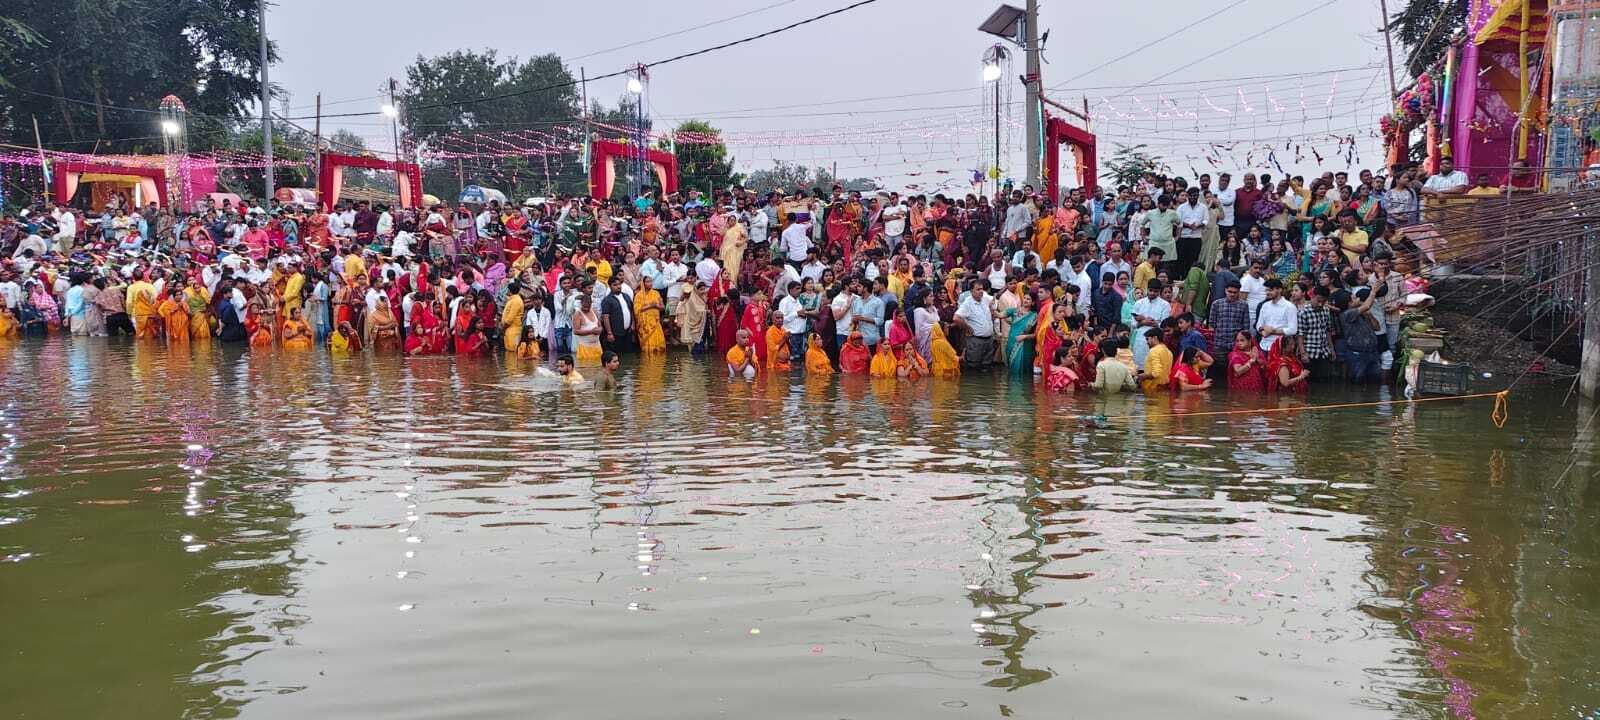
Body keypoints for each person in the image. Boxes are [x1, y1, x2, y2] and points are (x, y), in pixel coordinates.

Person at [1337, 287, 1384, 383]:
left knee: (1375, 381)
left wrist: (1369, 315)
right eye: (1354, 298)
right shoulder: (1347, 314)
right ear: (1349, 303)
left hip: (1372, 352)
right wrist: (1373, 291)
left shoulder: (1360, 313)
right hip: (1358, 354)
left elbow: (1377, 327)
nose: (1358, 299)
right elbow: (1366, 306)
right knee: (1357, 382)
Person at [953, 281, 996, 368]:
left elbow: (994, 303)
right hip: (976, 340)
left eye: (982, 289)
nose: (981, 291)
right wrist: (967, 327)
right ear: (971, 291)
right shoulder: (968, 303)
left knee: (987, 366)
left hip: (988, 339)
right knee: (973, 366)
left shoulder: (985, 299)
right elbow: (956, 318)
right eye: (978, 289)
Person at [1003, 292, 1038, 375]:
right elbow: (1000, 315)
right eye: (1025, 298)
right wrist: (991, 308)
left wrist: (1025, 336)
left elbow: (1037, 334)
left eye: (1028, 299)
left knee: (1024, 370)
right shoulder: (1014, 311)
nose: (1025, 300)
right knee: (1012, 368)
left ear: (1033, 303)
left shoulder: (1035, 316)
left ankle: (1023, 386)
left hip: (1026, 345)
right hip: (1011, 342)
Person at [634, 278, 666, 354]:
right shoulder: (639, 295)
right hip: (645, 324)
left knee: (659, 342)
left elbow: (662, 307)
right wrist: (651, 306)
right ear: (643, 283)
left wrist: (656, 306)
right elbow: (637, 310)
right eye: (648, 282)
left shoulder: (656, 293)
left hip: (655, 322)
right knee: (647, 345)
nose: (650, 283)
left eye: (651, 281)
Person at [572, 293, 603, 366]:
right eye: (584, 306)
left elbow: (600, 327)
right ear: (581, 303)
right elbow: (576, 331)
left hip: (597, 346)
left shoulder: (594, 311)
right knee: (586, 369)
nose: (586, 308)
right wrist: (591, 331)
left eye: (588, 306)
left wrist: (599, 330)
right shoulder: (578, 314)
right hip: (585, 348)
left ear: (591, 304)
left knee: (598, 368)